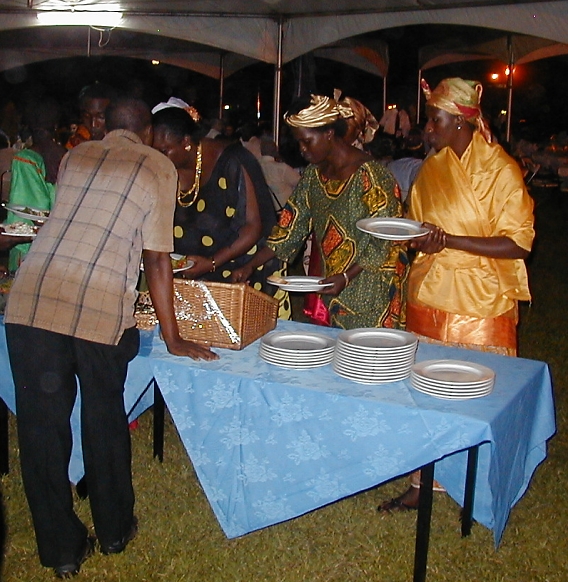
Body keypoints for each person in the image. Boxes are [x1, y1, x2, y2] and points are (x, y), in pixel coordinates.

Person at [4, 97, 217, 578]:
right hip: (98, 304)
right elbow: (157, 258)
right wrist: (173, 337)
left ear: (105, 126)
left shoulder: (76, 155)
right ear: (147, 132)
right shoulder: (158, 166)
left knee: (41, 432)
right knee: (102, 418)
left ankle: (61, 551)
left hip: (31, 298)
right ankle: (115, 530)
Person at [379, 77, 535, 512]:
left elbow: (519, 244)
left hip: (481, 300)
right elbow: (419, 229)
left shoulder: (501, 171)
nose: (428, 128)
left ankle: (479, 483)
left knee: (480, 396)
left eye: (435, 120)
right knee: (424, 393)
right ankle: (422, 482)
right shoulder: (433, 169)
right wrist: (420, 240)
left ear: (462, 121)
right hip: (430, 293)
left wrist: (449, 240)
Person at [232, 94, 408, 330]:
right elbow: (288, 230)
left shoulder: (372, 176)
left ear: (329, 133)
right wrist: (250, 265)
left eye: (307, 141)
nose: (302, 150)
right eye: (299, 143)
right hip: (337, 291)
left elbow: (386, 239)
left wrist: (346, 276)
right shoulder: (314, 176)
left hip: (375, 290)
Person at [151, 102, 285, 299]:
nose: (157, 158)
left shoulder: (233, 160)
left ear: (186, 142)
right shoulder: (164, 169)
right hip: (190, 275)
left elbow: (252, 226)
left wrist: (212, 262)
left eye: (164, 151)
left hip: (240, 273)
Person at [5, 97, 66, 271]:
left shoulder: (25, 160)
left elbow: (24, 215)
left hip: (31, 251)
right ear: (56, 126)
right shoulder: (67, 155)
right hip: (61, 245)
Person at [65, 83, 117, 148]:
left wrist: (87, 146)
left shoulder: (121, 137)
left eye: (101, 117)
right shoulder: (79, 136)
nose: (93, 124)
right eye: (86, 116)